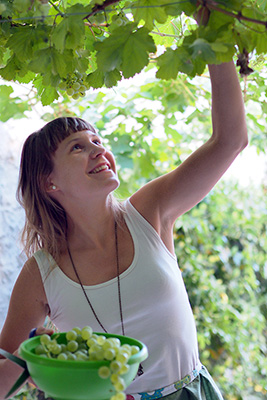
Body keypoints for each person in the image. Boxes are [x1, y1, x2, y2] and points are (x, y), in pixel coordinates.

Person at [0, 59, 247, 400]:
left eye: (97, 141)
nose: (99, 150)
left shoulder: (149, 212)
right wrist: (30, 357)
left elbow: (230, 141)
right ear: (49, 182)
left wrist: (215, 41)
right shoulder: (41, 273)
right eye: (78, 147)